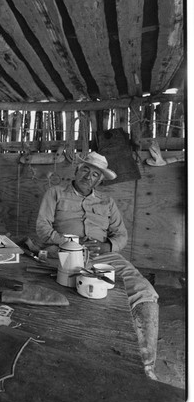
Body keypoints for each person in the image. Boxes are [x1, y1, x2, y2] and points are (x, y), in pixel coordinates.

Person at [35, 151, 159, 380]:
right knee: (71, 298)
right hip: (64, 253)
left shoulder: (107, 202)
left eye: (95, 174)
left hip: (103, 257)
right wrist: (69, 241)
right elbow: (42, 228)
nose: (89, 176)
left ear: (99, 180)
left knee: (145, 291)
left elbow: (121, 235)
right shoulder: (56, 193)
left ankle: (147, 368)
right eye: (85, 170)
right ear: (76, 170)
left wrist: (107, 246)